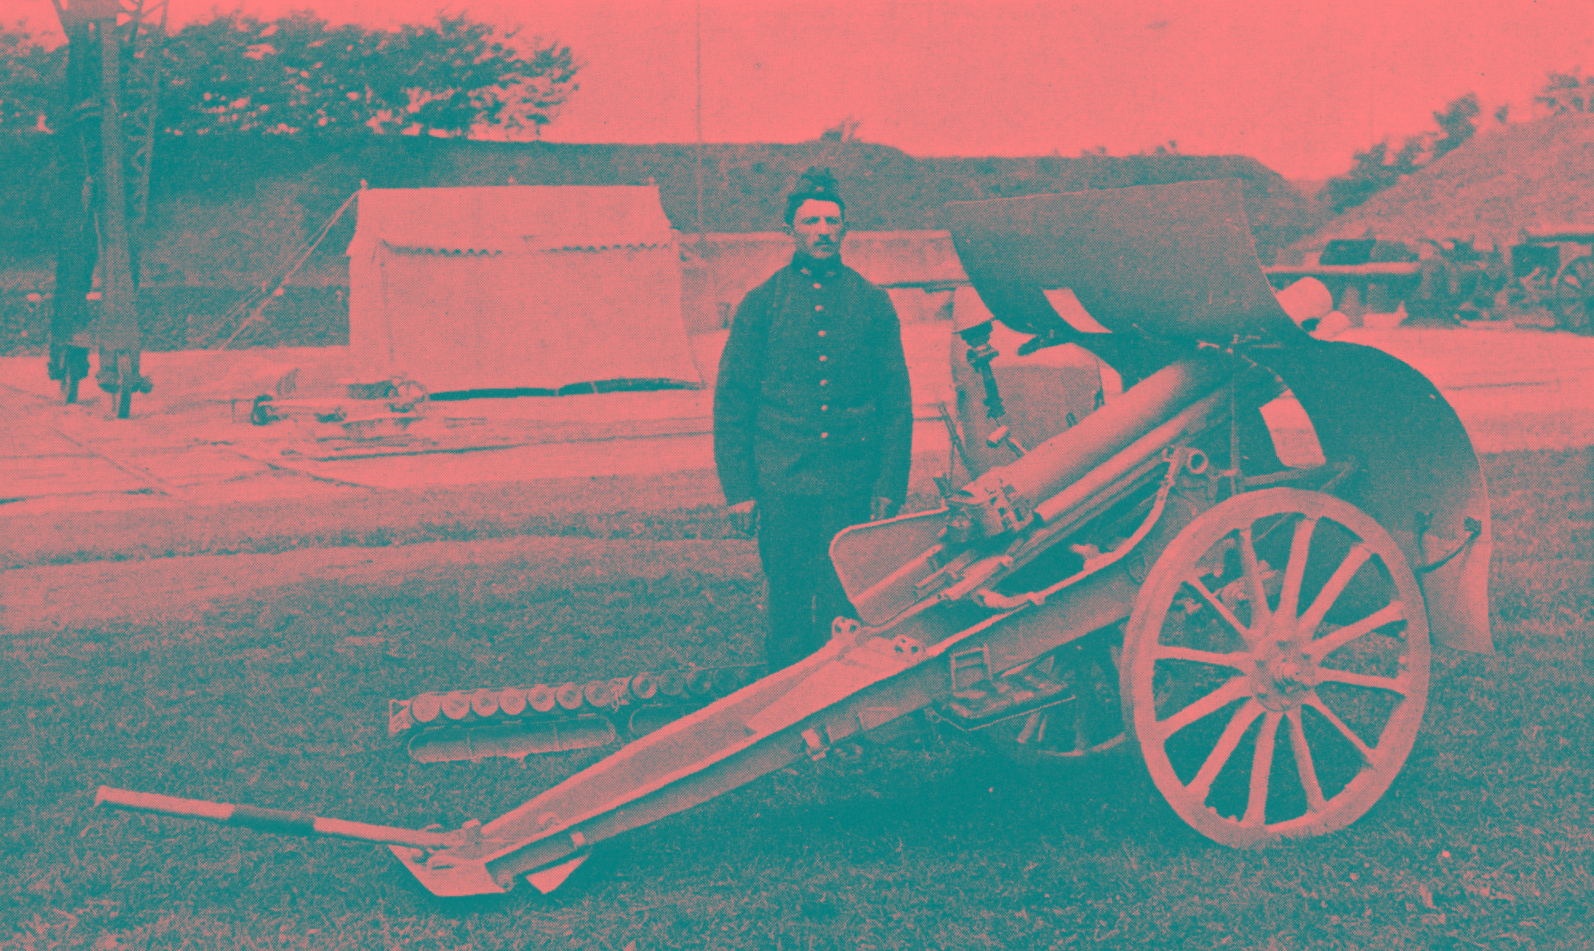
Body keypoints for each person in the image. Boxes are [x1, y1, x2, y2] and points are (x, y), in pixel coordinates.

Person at [713, 168, 914, 670]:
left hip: (851, 483)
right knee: (787, 597)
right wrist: (740, 490)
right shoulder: (762, 303)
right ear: (790, 231)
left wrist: (889, 483)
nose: (823, 230)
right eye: (810, 221)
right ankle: (785, 695)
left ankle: (838, 696)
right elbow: (733, 402)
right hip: (783, 482)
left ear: (845, 228)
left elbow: (895, 402)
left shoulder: (871, 302)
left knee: (842, 603)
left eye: (832, 221)